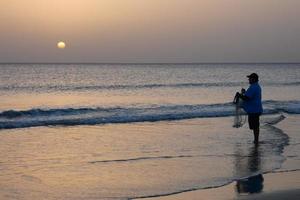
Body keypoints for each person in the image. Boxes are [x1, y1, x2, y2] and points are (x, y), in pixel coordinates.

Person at [237, 73, 263, 145]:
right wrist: (244, 92)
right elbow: (249, 95)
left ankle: (256, 141)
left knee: (255, 126)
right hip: (256, 109)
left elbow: (247, 98)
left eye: (250, 78)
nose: (249, 79)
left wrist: (240, 95)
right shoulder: (256, 86)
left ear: (254, 79)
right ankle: (256, 140)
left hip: (254, 110)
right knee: (255, 126)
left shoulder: (253, 87)